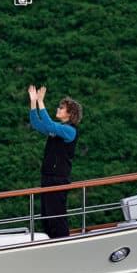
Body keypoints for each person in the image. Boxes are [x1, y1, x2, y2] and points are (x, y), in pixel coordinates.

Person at [28, 84, 83, 239]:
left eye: (61, 107)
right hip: (47, 177)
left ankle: (62, 244)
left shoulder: (69, 130)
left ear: (70, 113)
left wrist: (41, 102)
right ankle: (51, 243)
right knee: (46, 216)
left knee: (57, 216)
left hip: (58, 179)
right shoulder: (58, 128)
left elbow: (49, 124)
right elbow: (37, 123)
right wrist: (33, 102)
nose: (58, 109)